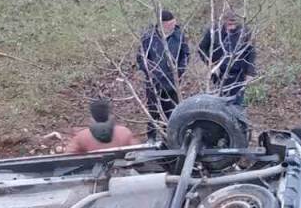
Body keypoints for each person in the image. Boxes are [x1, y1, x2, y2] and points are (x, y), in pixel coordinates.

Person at [136, 10, 190, 140]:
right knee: (154, 110)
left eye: (174, 22)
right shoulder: (149, 37)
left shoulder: (179, 36)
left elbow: (186, 55)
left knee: (172, 111)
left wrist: (180, 71)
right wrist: (149, 71)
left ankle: (169, 137)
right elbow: (141, 58)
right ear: (162, 24)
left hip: (172, 82)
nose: (173, 25)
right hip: (154, 82)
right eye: (169, 24)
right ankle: (152, 137)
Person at [197, 12, 256, 106]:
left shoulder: (245, 31)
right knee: (219, 101)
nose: (232, 27)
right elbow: (201, 49)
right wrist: (211, 65)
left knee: (236, 102)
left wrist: (250, 72)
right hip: (218, 73)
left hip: (238, 74)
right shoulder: (214, 31)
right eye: (229, 24)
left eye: (234, 24)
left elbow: (251, 52)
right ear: (224, 21)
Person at [64, 98, 137, 154]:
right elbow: (138, 153)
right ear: (109, 114)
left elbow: (67, 157)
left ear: (92, 116)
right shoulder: (124, 132)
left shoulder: (82, 136)